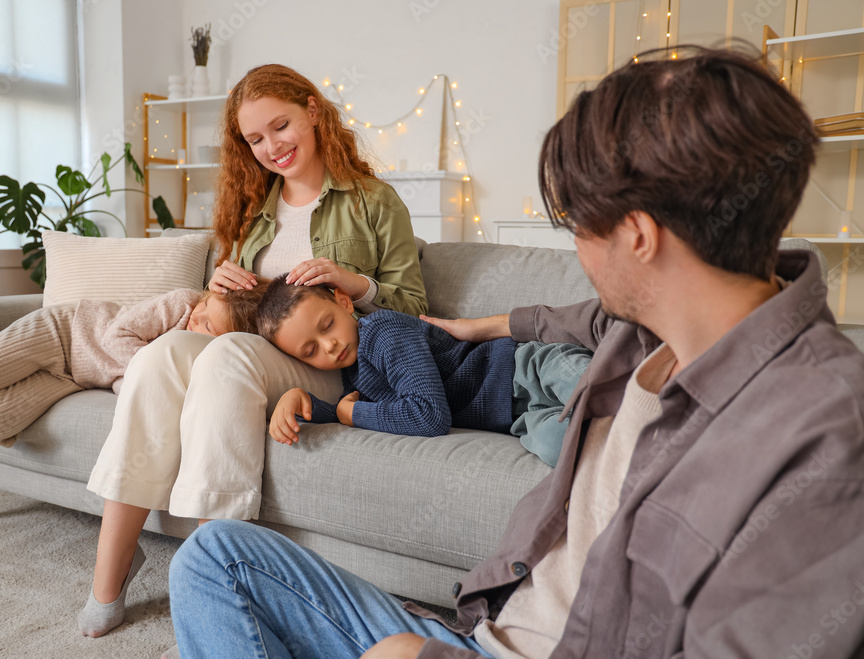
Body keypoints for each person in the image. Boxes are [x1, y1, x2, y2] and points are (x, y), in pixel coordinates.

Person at [166, 47, 864, 658]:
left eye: (577, 228)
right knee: (213, 556)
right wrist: (477, 327)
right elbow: (569, 316)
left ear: (639, 235)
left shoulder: (821, 433)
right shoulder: (646, 326)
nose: (575, 253)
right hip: (480, 629)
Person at [79, 63, 427, 638]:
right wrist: (219, 290)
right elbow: (234, 310)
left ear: (314, 112)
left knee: (227, 357)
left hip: (334, 368)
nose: (272, 147)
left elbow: (415, 310)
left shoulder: (372, 200)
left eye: (281, 126)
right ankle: (110, 572)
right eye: (256, 138)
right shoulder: (253, 208)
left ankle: (215, 585)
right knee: (159, 357)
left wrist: (353, 280)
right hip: (249, 349)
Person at [257, 278, 592, 466]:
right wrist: (300, 400)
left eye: (327, 325)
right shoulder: (353, 373)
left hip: (524, 368)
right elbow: (348, 413)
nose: (328, 346)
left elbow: (429, 416)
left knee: (592, 385)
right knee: (560, 446)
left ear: (344, 303)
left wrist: (352, 412)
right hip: (517, 417)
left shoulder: (381, 332)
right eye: (310, 351)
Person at [0, 286, 262, 447]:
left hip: (73, 378)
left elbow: (127, 386)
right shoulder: (183, 302)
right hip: (67, 331)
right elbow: (115, 336)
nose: (198, 315)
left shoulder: (197, 362)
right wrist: (152, 371)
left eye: (208, 325)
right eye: (206, 305)